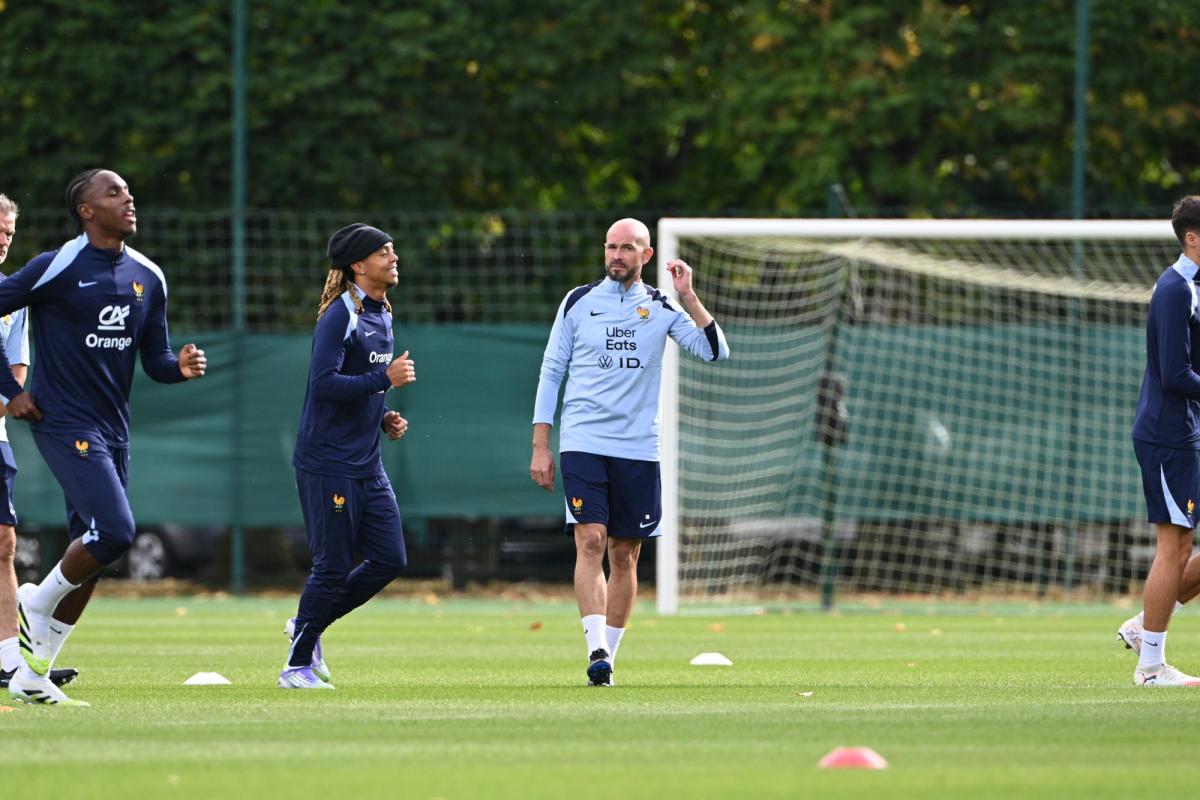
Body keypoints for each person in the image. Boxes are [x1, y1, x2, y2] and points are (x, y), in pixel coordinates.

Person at [0, 170, 206, 706]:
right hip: (64, 421)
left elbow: (155, 361)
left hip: (114, 429)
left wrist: (178, 368)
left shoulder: (149, 277)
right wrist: (10, 389)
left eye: (129, 192)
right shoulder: (58, 265)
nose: (128, 198)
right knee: (115, 531)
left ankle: (31, 675)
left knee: (91, 554)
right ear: (86, 211)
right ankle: (33, 604)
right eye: (113, 193)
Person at [530, 218, 729, 686]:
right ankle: (594, 647)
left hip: (638, 447)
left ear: (647, 255)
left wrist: (690, 299)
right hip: (583, 441)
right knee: (591, 540)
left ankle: (609, 659)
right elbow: (551, 370)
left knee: (624, 553)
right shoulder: (578, 301)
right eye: (611, 247)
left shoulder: (661, 307)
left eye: (627, 248)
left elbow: (715, 352)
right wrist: (542, 443)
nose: (617, 255)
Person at [280, 223, 414, 689]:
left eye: (393, 250)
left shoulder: (383, 313)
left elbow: (356, 384)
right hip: (328, 462)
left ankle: (307, 624)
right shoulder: (341, 314)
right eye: (384, 252)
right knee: (332, 567)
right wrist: (384, 382)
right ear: (359, 265)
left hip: (366, 463)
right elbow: (322, 385)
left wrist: (383, 416)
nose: (394, 257)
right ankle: (295, 667)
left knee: (390, 559)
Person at [0, 194, 79, 692]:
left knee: (4, 543)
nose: (3, 241)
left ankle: (9, 658)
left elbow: (17, 368)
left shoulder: (12, 296)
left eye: (8, 233)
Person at [1125, 195, 1200, 687]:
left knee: (1179, 549)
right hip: (1167, 435)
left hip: (1188, 432)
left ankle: (1143, 624)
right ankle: (1150, 667)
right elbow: (1175, 374)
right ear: (1192, 237)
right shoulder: (1175, 289)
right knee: (1172, 549)